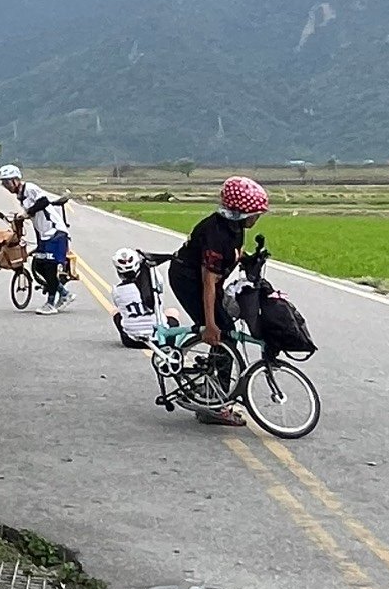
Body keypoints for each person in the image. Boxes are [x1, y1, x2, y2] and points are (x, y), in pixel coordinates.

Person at [166, 175, 271, 426]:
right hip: (188, 281)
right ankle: (214, 407)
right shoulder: (215, 234)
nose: (257, 219)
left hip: (205, 281)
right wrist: (211, 326)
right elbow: (208, 284)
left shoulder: (234, 229)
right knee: (224, 333)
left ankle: (214, 371)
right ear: (240, 212)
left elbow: (233, 253)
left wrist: (247, 261)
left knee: (224, 327)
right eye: (255, 214)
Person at [0, 163, 75, 310]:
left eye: (7, 182)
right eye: (4, 183)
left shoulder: (30, 188)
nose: (6, 186)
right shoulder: (21, 196)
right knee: (38, 265)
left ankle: (51, 303)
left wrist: (27, 212)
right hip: (44, 235)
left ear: (16, 180)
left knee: (49, 267)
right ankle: (64, 294)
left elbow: (43, 201)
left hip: (55, 232)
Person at [110, 246, 158, 348]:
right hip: (158, 339)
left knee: (116, 311)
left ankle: (133, 331)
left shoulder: (116, 291)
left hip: (131, 340)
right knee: (172, 311)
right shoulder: (154, 283)